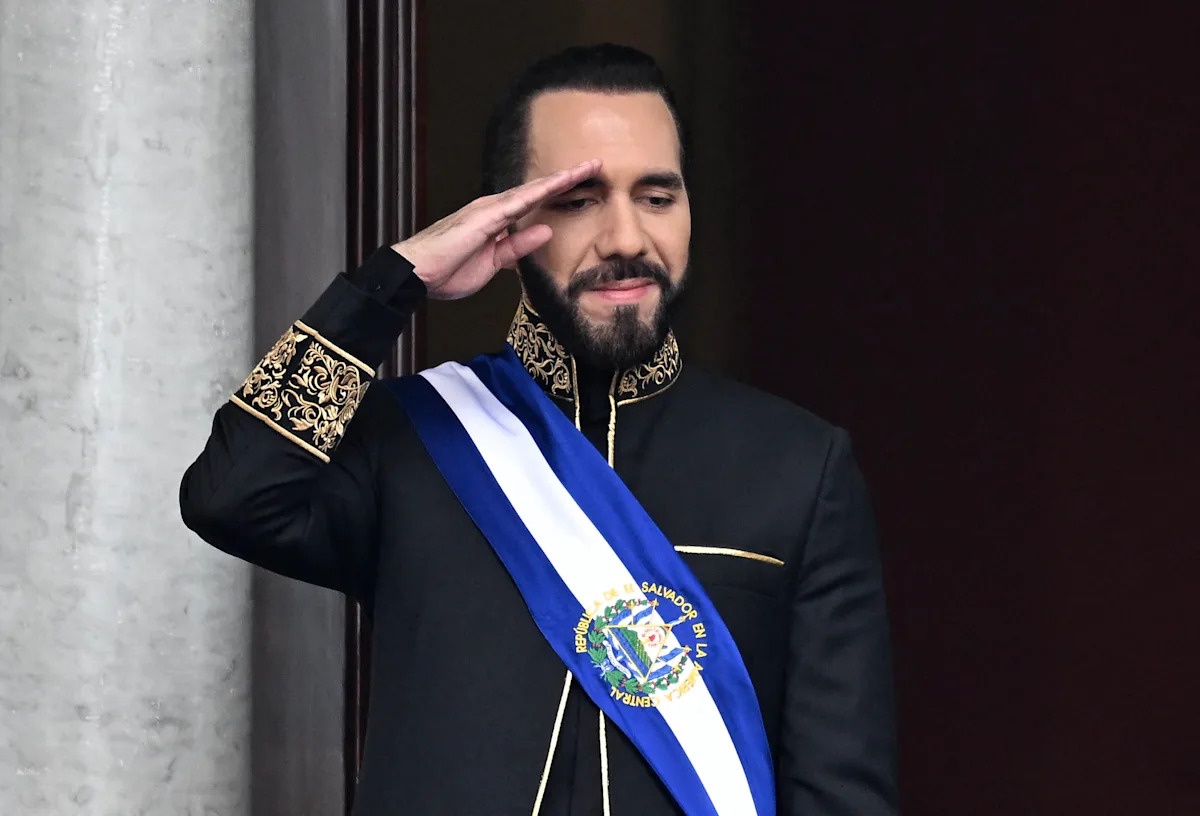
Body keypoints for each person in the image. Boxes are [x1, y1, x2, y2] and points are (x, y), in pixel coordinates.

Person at [181, 44, 898, 816]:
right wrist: (390, 284)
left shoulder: (796, 466)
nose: (627, 239)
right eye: (580, 201)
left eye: (657, 197)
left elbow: (841, 793)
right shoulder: (411, 440)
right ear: (507, 222)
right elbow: (232, 493)